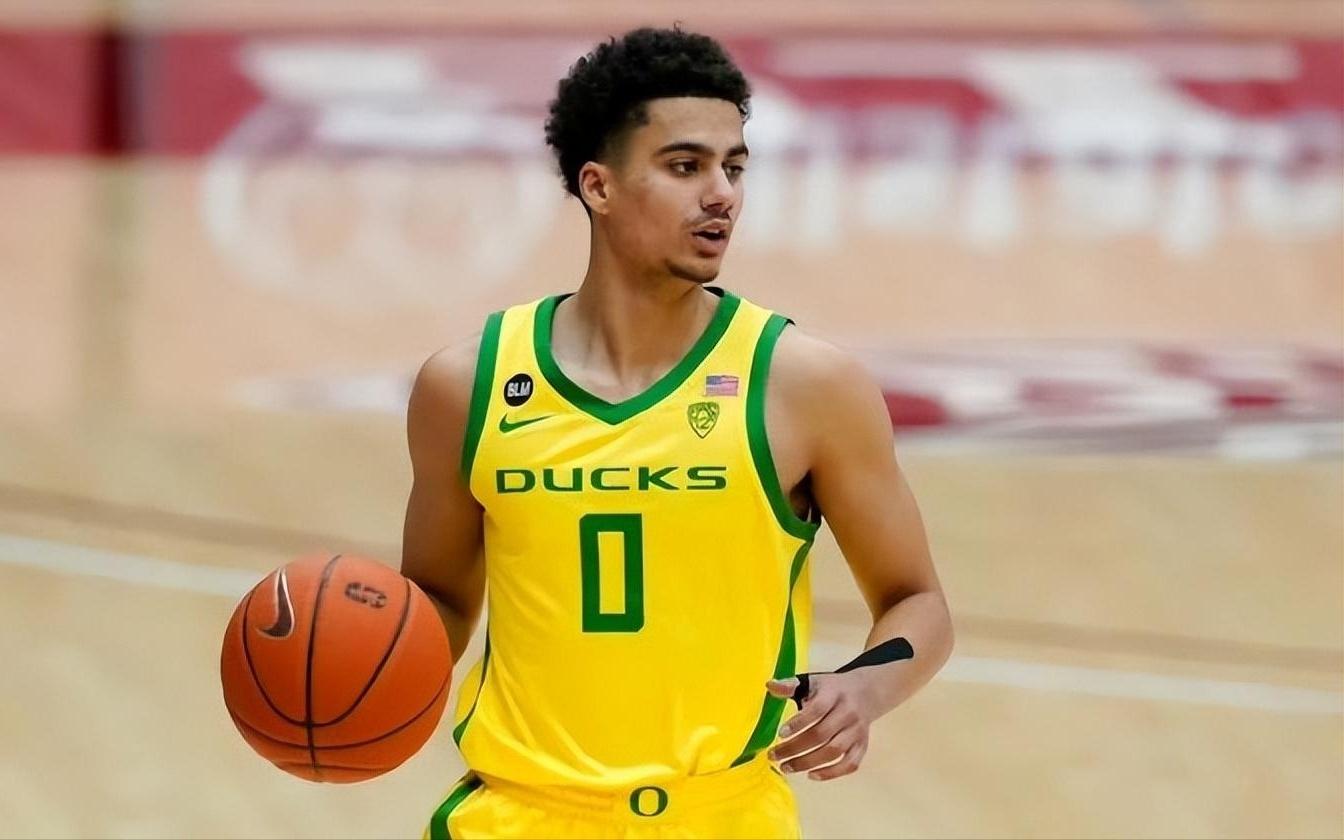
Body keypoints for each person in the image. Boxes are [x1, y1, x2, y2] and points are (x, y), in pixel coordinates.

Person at [401, 26, 953, 839]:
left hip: (723, 818)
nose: (722, 194)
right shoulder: (468, 386)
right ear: (599, 186)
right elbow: (438, 601)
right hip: (516, 817)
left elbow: (918, 602)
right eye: (685, 166)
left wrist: (863, 689)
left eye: (734, 167)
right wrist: (350, 672)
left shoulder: (805, 386)